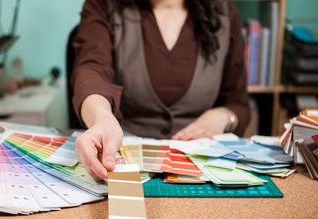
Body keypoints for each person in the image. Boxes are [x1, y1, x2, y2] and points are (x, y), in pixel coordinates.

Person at [71, 0, 250, 181]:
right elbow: (91, 69)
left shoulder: (224, 11)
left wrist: (224, 116)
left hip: (200, 166)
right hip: (124, 155)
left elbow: (238, 103)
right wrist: (102, 118)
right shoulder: (103, 5)